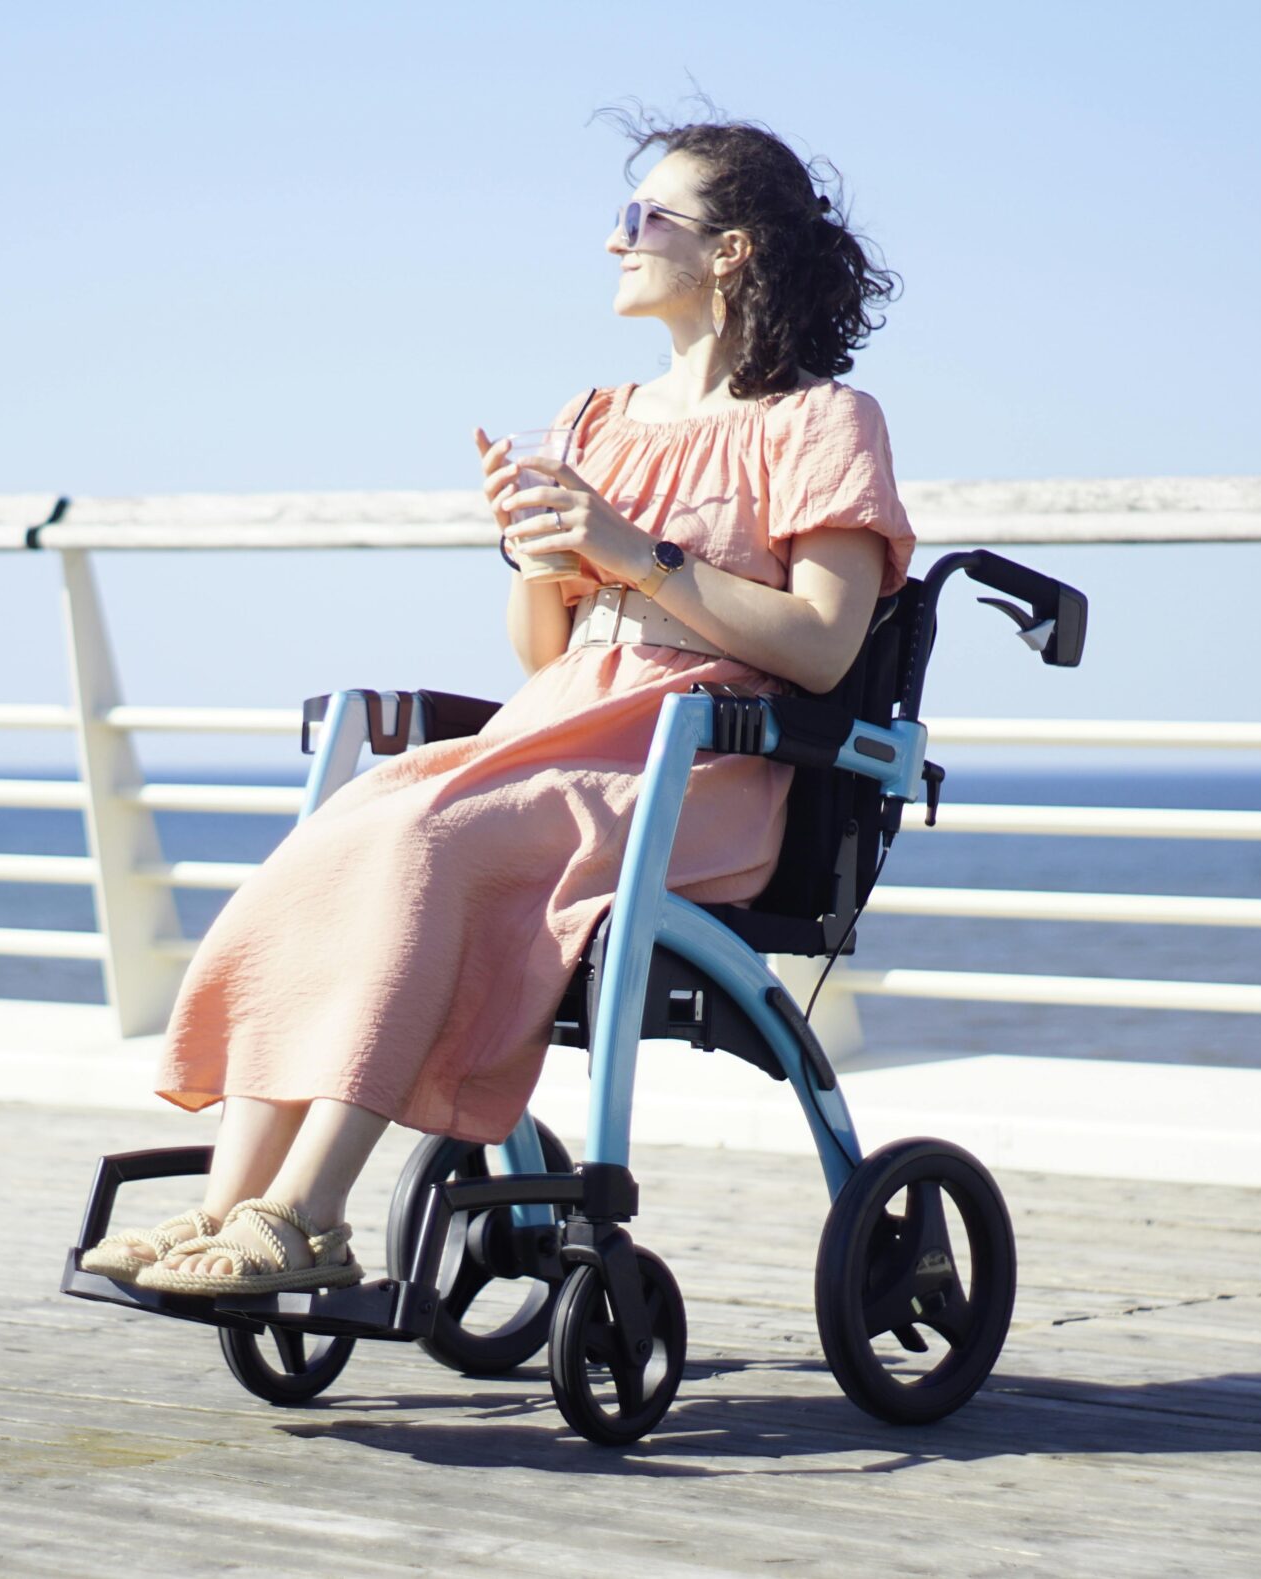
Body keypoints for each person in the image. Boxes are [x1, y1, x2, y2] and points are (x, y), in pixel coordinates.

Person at [83, 116, 915, 1297]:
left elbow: (826, 649)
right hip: (568, 727)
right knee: (347, 835)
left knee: (427, 840)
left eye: (644, 218)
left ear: (729, 251)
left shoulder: (822, 423)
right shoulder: (594, 419)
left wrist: (639, 555)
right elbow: (544, 655)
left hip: (702, 759)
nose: (614, 239)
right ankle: (229, 1207)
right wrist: (537, 555)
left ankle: (308, 1215)